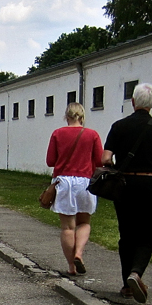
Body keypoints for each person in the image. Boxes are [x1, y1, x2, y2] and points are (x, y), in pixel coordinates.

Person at [101, 82, 152, 304]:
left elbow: (105, 159)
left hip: (124, 185)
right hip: (150, 186)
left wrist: (119, 170)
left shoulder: (118, 126)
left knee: (126, 235)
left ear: (133, 102)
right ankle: (136, 273)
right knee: (147, 235)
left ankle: (127, 285)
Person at [45, 102, 104, 277]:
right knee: (84, 222)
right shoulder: (92, 135)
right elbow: (100, 161)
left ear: (67, 116)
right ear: (82, 116)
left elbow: (50, 161)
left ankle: (71, 266)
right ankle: (79, 253)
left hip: (64, 182)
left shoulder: (57, 133)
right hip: (85, 182)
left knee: (67, 228)